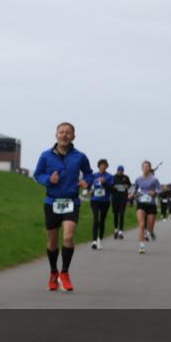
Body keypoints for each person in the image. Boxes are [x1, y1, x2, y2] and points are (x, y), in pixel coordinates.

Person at [33, 122, 93, 291]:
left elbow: (89, 173)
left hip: (71, 201)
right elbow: (38, 174)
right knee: (52, 241)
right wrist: (48, 180)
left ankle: (64, 273)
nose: (64, 135)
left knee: (68, 237)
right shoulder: (45, 155)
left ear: (73, 136)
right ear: (56, 135)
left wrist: (85, 182)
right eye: (61, 132)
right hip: (52, 201)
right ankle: (53, 272)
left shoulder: (79, 156)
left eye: (68, 132)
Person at [133, 161, 161, 254]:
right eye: (143, 166)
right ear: (142, 168)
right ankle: (142, 246)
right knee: (141, 224)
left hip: (151, 204)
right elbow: (135, 190)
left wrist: (155, 193)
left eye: (147, 166)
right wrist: (134, 194)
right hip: (141, 203)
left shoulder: (154, 179)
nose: (145, 168)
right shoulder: (138, 179)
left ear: (150, 168)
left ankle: (151, 232)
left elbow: (160, 190)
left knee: (150, 227)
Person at [89, 159, 114, 249]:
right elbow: (89, 186)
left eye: (104, 165)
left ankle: (100, 239)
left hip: (105, 201)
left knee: (102, 220)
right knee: (96, 220)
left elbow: (111, 188)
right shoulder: (94, 176)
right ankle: (94, 241)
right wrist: (89, 190)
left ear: (106, 166)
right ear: (98, 166)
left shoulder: (109, 176)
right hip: (94, 200)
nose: (103, 166)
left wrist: (105, 182)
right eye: (101, 165)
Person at [111, 165, 131, 240]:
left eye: (122, 171)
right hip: (115, 198)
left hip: (123, 198)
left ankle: (121, 232)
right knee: (116, 215)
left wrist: (127, 186)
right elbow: (110, 186)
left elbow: (129, 185)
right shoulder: (113, 177)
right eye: (119, 170)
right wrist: (114, 186)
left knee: (122, 214)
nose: (120, 172)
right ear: (117, 170)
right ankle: (116, 229)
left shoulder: (126, 177)